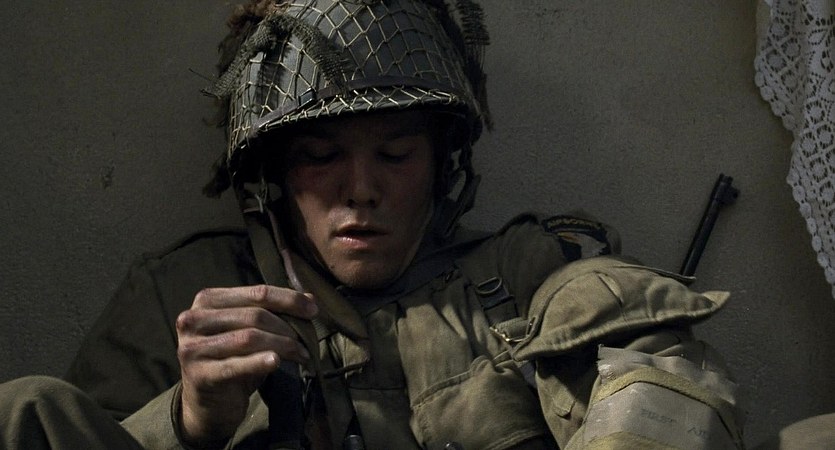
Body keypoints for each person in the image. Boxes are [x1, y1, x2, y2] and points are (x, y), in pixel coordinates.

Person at [0, 0, 744, 448]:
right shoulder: (184, 296)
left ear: (441, 165)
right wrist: (188, 420)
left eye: (395, 154)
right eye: (321, 156)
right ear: (273, 175)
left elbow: (646, 358)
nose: (361, 189)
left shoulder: (517, 275)